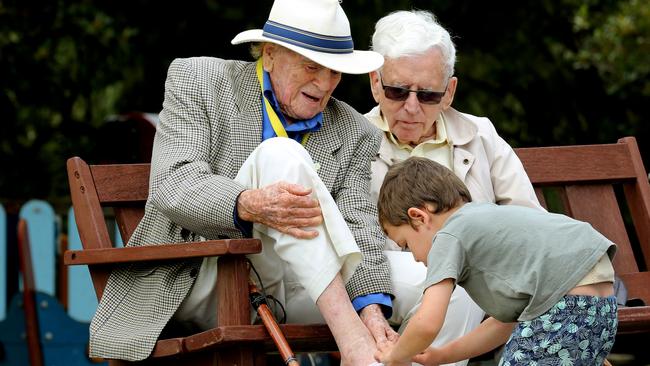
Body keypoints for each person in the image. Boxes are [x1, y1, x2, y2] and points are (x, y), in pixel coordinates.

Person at [85, 0, 392, 364]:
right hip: (203, 274)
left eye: (336, 72)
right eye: (313, 67)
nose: (325, 84)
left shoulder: (356, 130)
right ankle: (353, 345)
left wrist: (373, 310)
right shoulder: (199, 80)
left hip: (297, 285)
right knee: (279, 153)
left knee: (430, 284)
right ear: (271, 53)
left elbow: (359, 224)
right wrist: (251, 204)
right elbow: (173, 183)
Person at [362, 10, 545, 365]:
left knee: (457, 282)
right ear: (374, 82)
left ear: (449, 92)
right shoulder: (351, 138)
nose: (411, 107)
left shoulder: (481, 136)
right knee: (451, 284)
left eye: (428, 95)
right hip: (384, 282)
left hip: (478, 289)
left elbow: (529, 223)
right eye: (398, 91)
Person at [374, 157, 618, 365]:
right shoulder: (485, 221)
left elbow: (427, 323)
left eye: (406, 244)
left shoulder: (449, 234)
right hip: (599, 307)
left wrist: (396, 357)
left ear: (418, 217)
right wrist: (442, 356)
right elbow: (505, 324)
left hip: (564, 308)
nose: (414, 257)